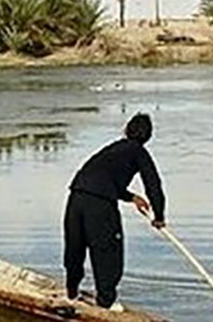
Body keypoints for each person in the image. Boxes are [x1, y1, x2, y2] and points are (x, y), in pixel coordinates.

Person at [64, 113, 166, 310]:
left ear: (126, 130)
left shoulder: (112, 149)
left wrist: (131, 197)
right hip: (99, 205)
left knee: (75, 247)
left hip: (76, 197)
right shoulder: (139, 152)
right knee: (108, 251)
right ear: (148, 136)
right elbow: (153, 185)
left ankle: (71, 292)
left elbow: (103, 179)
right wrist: (159, 216)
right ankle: (106, 302)